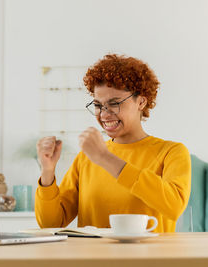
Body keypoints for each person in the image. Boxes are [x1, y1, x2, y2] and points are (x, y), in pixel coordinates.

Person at [35, 54, 191, 233]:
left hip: (149, 259)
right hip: (95, 260)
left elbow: (174, 206)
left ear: (141, 101)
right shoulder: (86, 158)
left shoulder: (172, 152)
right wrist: (47, 172)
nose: (104, 114)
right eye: (98, 105)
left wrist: (105, 158)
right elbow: (50, 224)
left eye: (114, 103)